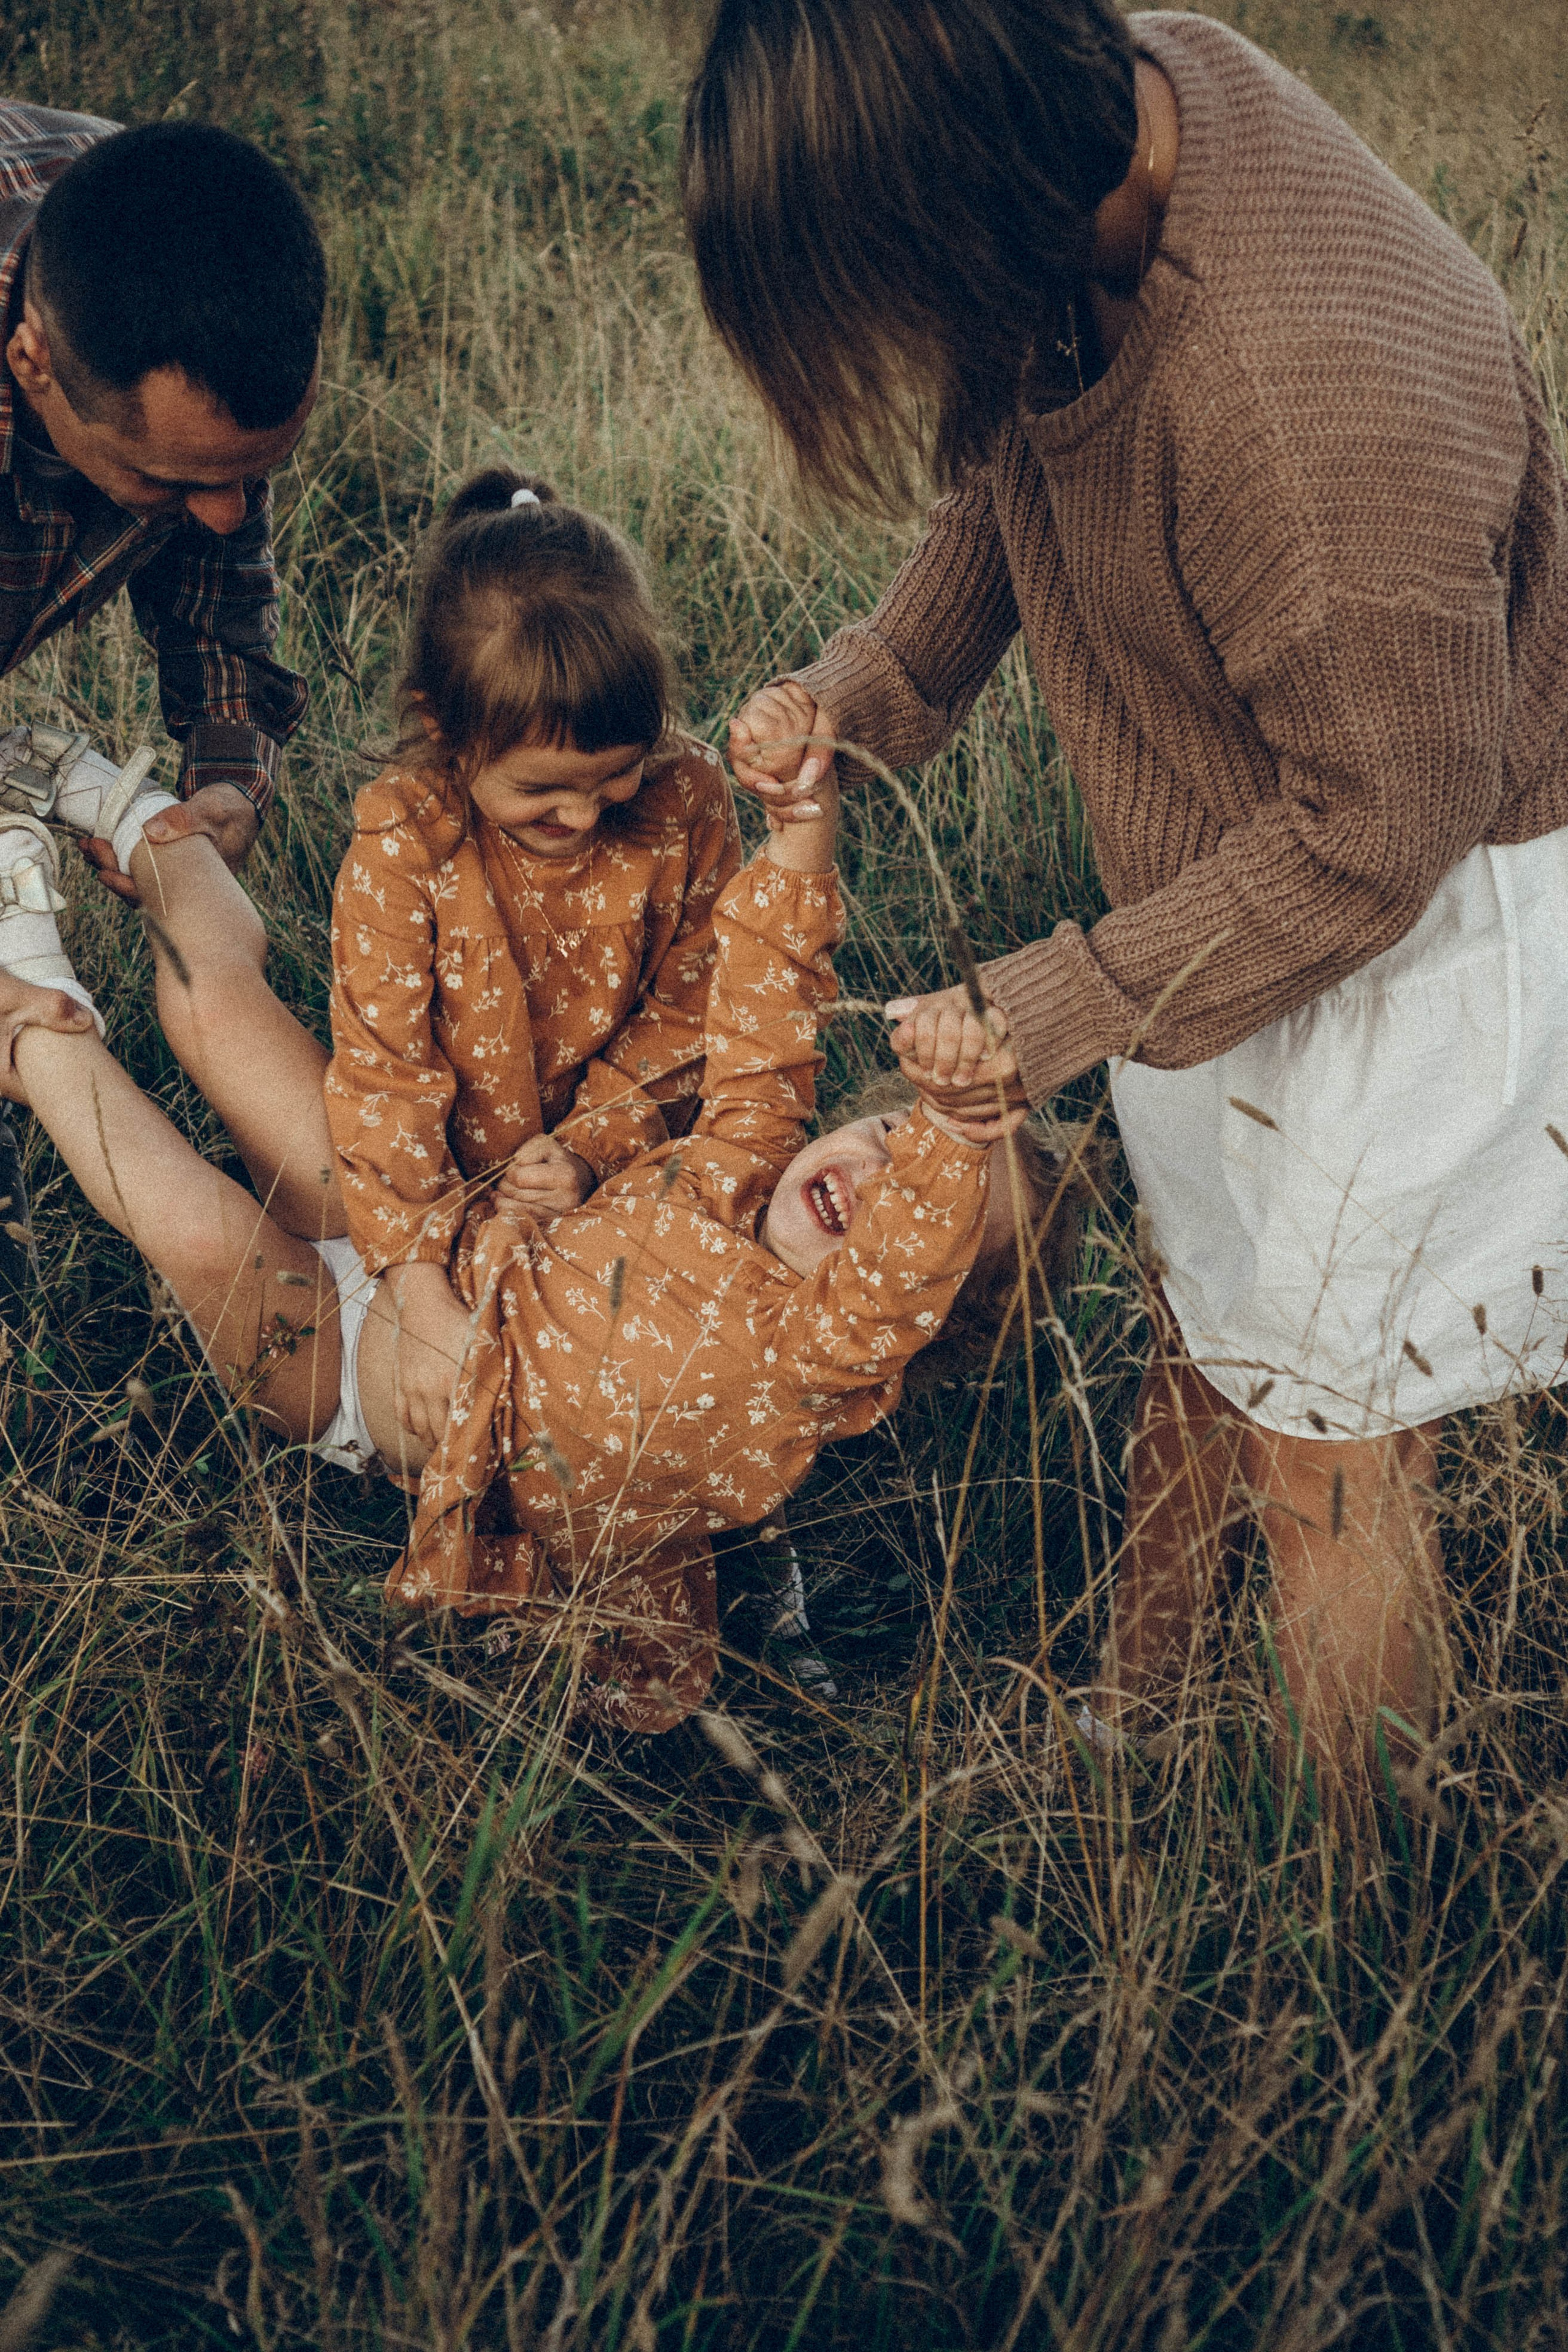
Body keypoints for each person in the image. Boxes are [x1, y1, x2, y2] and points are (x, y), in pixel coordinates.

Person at [686, 0, 1568, 1770]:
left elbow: (1380, 830)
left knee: (1330, 1436)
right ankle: (1130, 1716)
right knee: (1197, 1313)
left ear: (962, 220)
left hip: (1428, 912)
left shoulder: (1309, 402)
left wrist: (1050, 1010)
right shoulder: (1090, 136)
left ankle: (1348, 1942)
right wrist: (867, 694)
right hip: (1231, 873)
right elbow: (1015, 461)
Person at [0, 709, 1076, 1732]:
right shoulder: (739, 1158)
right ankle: (141, 822)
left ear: (922, 1312)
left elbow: (901, 1258)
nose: (884, 1171)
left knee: (196, 1231)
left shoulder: (811, 1362)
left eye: (928, 1202)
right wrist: (805, 822)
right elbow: (765, 996)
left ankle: (31, 1011)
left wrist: (959, 1121)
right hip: (416, 1229)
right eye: (890, 1134)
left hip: (349, 1379)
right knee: (214, 1012)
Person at [324, 466, 742, 1457]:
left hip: (631, 1165)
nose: (587, 815)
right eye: (545, 791)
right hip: (445, 1191)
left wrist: (596, 1145)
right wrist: (419, 1283)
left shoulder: (686, 800)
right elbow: (387, 1072)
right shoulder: (405, 843)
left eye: (617, 774)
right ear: (443, 727)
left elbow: (695, 1002)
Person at [0, 105, 324, 1293]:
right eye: (170, 479)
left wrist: (227, 770)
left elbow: (219, 564)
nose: (230, 511)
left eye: (256, 471)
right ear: (33, 362)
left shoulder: (171, 246)